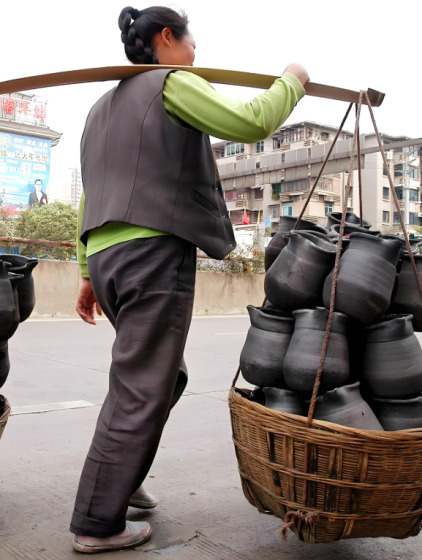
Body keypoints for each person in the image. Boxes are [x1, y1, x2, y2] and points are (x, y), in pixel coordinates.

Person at [72, 5, 309, 554]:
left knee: (163, 375)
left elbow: (92, 191)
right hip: (151, 252)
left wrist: (87, 272)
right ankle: (98, 520)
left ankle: (120, 477)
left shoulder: (98, 110)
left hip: (109, 257)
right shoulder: (170, 83)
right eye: (191, 41)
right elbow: (251, 122)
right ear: (165, 39)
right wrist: (291, 80)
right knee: (141, 384)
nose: (196, 52)